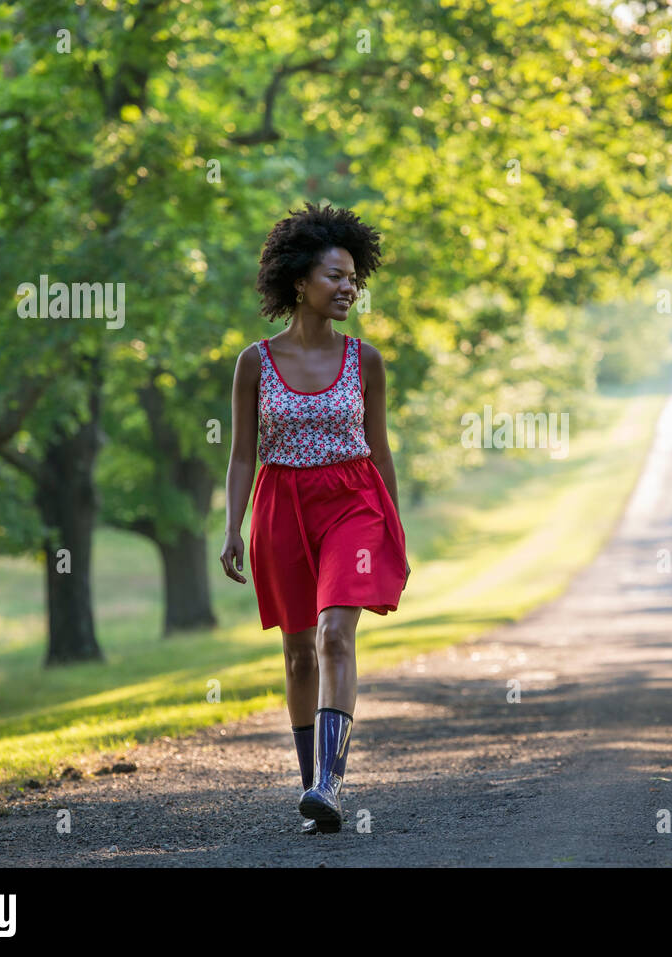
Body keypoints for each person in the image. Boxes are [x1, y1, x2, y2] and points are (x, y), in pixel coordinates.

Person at [219, 201, 410, 834]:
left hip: (352, 502)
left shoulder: (366, 361)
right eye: (335, 276)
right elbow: (243, 455)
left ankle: (330, 782)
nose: (348, 288)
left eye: (354, 278)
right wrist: (231, 529)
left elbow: (380, 451)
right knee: (299, 652)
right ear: (299, 281)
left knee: (335, 632)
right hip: (280, 505)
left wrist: (394, 528)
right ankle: (313, 790)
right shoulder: (255, 362)